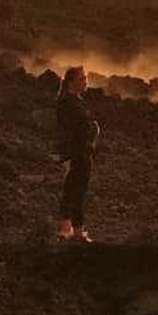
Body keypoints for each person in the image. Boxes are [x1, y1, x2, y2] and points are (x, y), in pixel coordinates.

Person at [55, 66, 100, 241]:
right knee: (74, 189)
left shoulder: (74, 101)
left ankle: (76, 229)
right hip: (77, 152)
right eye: (81, 79)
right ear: (71, 82)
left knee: (78, 189)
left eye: (85, 78)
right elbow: (68, 130)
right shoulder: (68, 103)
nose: (85, 82)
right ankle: (69, 229)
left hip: (82, 151)